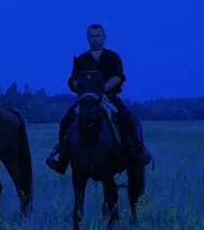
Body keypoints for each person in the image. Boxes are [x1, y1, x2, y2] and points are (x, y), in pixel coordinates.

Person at [45, 24, 152, 174]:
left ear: (104, 37)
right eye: (92, 36)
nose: (95, 39)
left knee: (127, 119)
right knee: (66, 121)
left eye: (98, 35)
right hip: (86, 98)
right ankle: (62, 158)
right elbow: (74, 80)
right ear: (87, 39)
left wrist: (99, 90)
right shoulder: (81, 59)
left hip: (109, 97)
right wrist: (85, 90)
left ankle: (138, 151)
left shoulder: (112, 57)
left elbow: (116, 78)